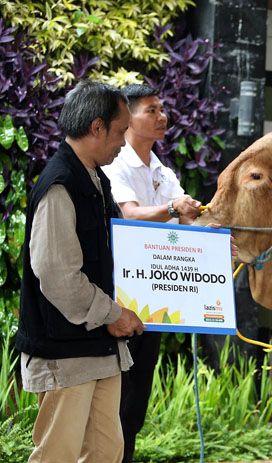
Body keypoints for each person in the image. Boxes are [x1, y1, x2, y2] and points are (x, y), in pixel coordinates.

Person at [16, 80, 145, 463]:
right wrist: (112, 314)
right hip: (65, 353)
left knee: (106, 453)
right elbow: (57, 275)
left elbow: (129, 248)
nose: (124, 142)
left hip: (100, 351)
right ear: (96, 127)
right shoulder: (60, 185)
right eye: (121, 131)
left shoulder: (95, 180)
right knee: (58, 454)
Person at [101, 83, 201, 463]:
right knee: (115, 398)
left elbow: (188, 220)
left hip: (155, 300)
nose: (162, 117)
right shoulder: (115, 164)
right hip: (118, 300)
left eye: (162, 109)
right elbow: (129, 214)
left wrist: (218, 243)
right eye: (151, 111)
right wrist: (175, 209)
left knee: (137, 399)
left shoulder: (163, 171)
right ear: (128, 119)